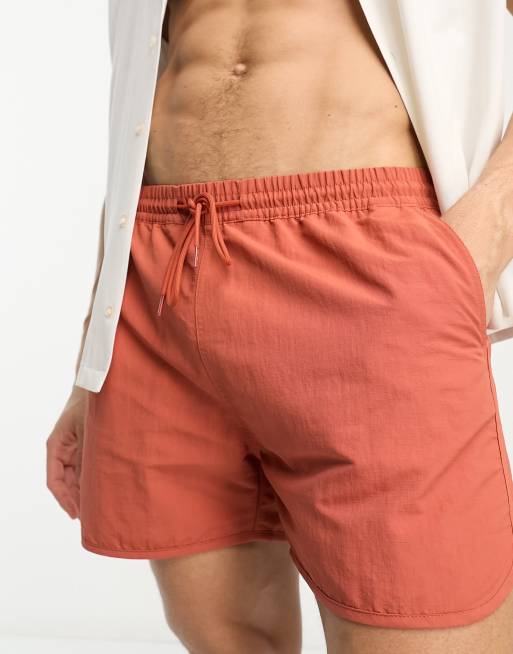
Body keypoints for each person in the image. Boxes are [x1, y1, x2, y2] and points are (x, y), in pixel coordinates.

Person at [47, 1, 513, 652]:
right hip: (160, 288)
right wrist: (89, 363)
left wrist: (482, 238)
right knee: (222, 634)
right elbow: (138, 100)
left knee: (419, 619)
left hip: (369, 278)